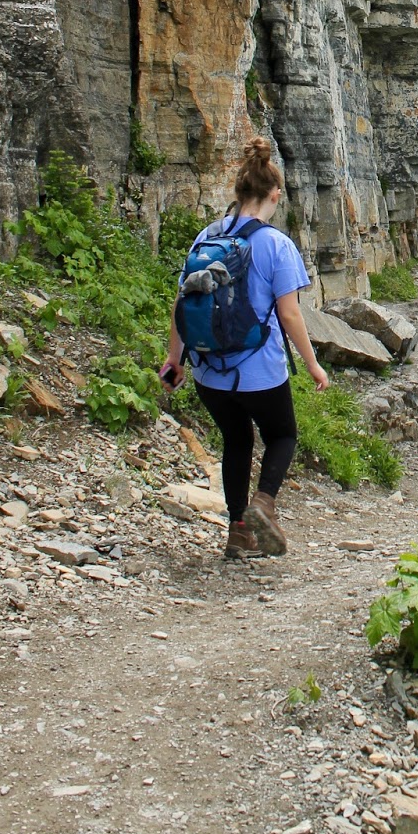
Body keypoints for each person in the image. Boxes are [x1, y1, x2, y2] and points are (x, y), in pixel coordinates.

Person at [159, 138, 329, 559]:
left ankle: (237, 533)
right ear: (275, 195)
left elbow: (182, 302)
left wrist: (174, 360)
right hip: (260, 371)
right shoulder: (276, 244)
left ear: (237, 193)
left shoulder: (207, 236)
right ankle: (264, 503)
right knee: (282, 435)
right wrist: (313, 365)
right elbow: (289, 314)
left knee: (236, 441)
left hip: (209, 370)